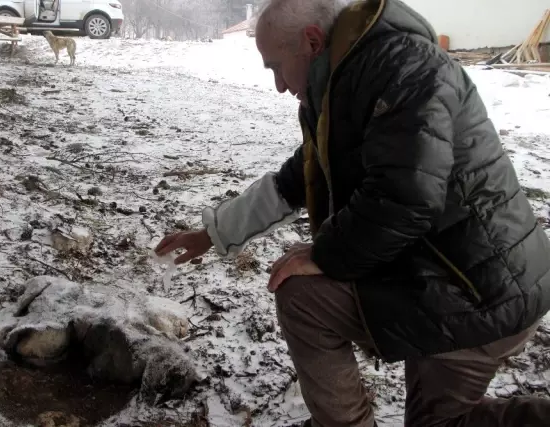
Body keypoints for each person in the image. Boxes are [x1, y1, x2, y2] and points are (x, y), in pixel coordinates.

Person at [155, 0, 550, 425]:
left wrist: (325, 254)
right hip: (442, 270)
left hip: (478, 286)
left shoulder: (403, 68)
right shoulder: (347, 80)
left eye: (276, 68)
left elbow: (407, 196)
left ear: (311, 41)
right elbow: (297, 179)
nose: (279, 87)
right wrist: (210, 235)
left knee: (302, 296)